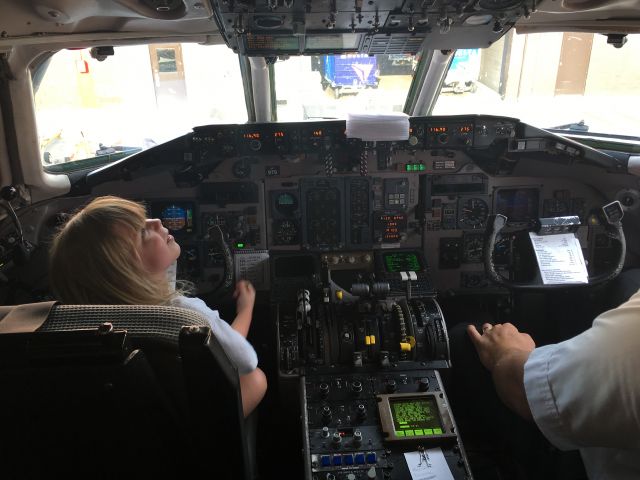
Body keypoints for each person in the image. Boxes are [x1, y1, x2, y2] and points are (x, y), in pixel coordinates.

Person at [49, 196, 267, 418]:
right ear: (129, 274)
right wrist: (246, 308)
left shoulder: (83, 326)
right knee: (257, 377)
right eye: (143, 232)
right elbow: (244, 359)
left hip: (141, 417)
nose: (155, 221)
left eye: (146, 219)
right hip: (192, 419)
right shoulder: (184, 314)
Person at [466, 289, 640, 479]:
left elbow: (525, 390)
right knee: (618, 283)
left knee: (464, 338)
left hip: (590, 463)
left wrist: (507, 352)